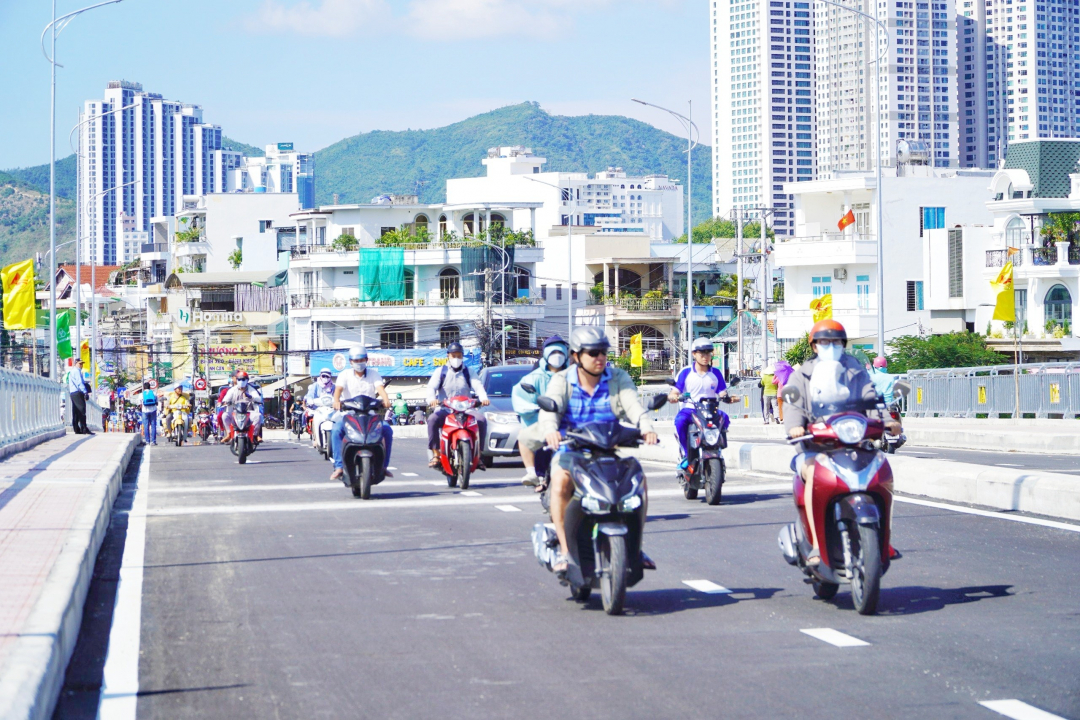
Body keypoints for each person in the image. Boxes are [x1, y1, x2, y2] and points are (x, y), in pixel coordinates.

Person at [537, 326, 659, 580]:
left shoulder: (618, 377)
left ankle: (635, 548)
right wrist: (550, 430)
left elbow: (633, 405)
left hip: (607, 451)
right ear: (576, 356)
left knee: (638, 481)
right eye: (593, 353)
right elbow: (550, 409)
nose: (600, 358)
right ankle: (565, 552)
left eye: (603, 352)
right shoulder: (562, 380)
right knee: (560, 483)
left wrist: (646, 427)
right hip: (571, 450)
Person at [784, 319, 902, 567]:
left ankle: (883, 540)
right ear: (814, 346)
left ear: (843, 344)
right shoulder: (801, 374)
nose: (831, 346)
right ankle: (817, 544)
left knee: (881, 469)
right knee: (812, 472)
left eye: (836, 342)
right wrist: (796, 426)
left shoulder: (855, 370)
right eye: (825, 342)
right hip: (816, 445)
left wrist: (886, 420)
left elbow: (871, 398)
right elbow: (793, 404)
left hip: (854, 442)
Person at [667, 337, 737, 470]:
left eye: (708, 353)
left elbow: (722, 392)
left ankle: (717, 447)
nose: (705, 357)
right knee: (680, 421)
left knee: (725, 418)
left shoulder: (716, 373)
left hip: (710, 410)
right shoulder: (686, 372)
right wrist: (673, 396)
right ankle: (686, 453)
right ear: (694, 354)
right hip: (690, 409)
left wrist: (729, 398)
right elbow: (675, 391)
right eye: (702, 353)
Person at [330, 347, 394, 481]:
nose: (359, 363)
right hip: (349, 415)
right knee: (336, 430)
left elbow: (380, 389)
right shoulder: (344, 375)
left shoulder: (374, 374)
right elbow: (338, 390)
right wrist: (336, 401)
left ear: (366, 360)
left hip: (370, 415)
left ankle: (383, 466)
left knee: (387, 430)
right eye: (356, 360)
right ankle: (339, 466)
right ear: (351, 362)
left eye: (361, 360)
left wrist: (386, 400)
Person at [511, 335, 568, 486]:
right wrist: (536, 408)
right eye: (553, 352)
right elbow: (520, 397)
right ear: (546, 354)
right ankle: (532, 472)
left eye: (560, 352)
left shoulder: (574, 375)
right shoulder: (534, 377)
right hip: (542, 422)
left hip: (569, 421)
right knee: (524, 436)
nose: (557, 356)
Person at [425, 342, 490, 468]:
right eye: (453, 355)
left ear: (462, 356)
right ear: (448, 356)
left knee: (481, 420)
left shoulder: (469, 372)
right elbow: (431, 387)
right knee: (432, 419)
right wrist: (432, 399)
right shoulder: (440, 372)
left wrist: (483, 398)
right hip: (445, 409)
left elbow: (478, 386)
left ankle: (479, 454)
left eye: (459, 356)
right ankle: (436, 454)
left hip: (466, 410)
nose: (456, 358)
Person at [221, 371, 262, 441]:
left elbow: (258, 398)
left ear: (247, 380)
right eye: (239, 379)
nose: (241, 381)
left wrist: (251, 397)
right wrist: (225, 402)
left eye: (243, 379)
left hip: (248, 412)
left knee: (258, 416)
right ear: (237, 380)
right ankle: (229, 434)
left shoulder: (251, 389)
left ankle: (255, 435)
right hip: (235, 412)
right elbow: (226, 399)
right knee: (225, 415)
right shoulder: (232, 390)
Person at [305, 368, 337, 447]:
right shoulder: (315, 385)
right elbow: (310, 395)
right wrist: (310, 401)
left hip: (331, 409)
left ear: (330, 377)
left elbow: (337, 396)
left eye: (327, 376)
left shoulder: (333, 386)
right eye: (323, 376)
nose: (325, 378)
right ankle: (316, 438)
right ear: (320, 376)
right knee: (315, 419)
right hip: (318, 409)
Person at [67, 359, 92, 434]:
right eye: (80, 364)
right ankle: (83, 428)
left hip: (73, 393)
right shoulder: (76, 371)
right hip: (77, 393)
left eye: (82, 364)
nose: (81, 365)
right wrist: (85, 392)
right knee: (81, 410)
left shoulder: (74, 371)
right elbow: (79, 382)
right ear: (76, 364)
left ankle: (77, 429)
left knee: (76, 411)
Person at [140, 380, 158, 445]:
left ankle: (147, 441)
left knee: (146, 426)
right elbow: (157, 403)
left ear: (144, 387)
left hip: (145, 411)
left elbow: (140, 404)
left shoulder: (141, 394)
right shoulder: (154, 393)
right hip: (153, 410)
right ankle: (153, 441)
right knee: (153, 426)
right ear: (150, 387)